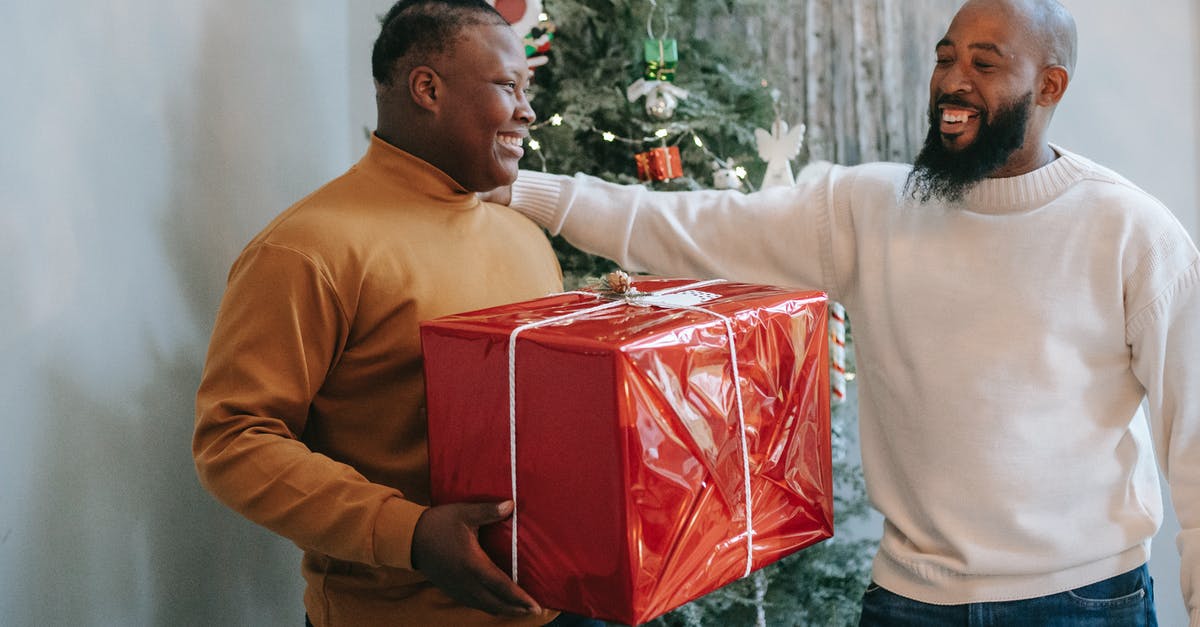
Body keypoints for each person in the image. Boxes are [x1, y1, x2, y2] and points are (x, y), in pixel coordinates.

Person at [496, 0, 1200, 624]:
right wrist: (521, 187)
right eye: (946, 58)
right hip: (910, 600)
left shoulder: (1131, 231)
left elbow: (1195, 444)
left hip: (1083, 599)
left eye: (985, 64)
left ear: (1050, 86)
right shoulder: (871, 207)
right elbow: (689, 226)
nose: (953, 81)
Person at [193, 2, 599, 625]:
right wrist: (410, 534)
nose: (527, 110)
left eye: (528, 89)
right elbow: (235, 441)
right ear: (427, 89)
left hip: (551, 609)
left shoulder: (524, 239)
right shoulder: (309, 247)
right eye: (506, 87)